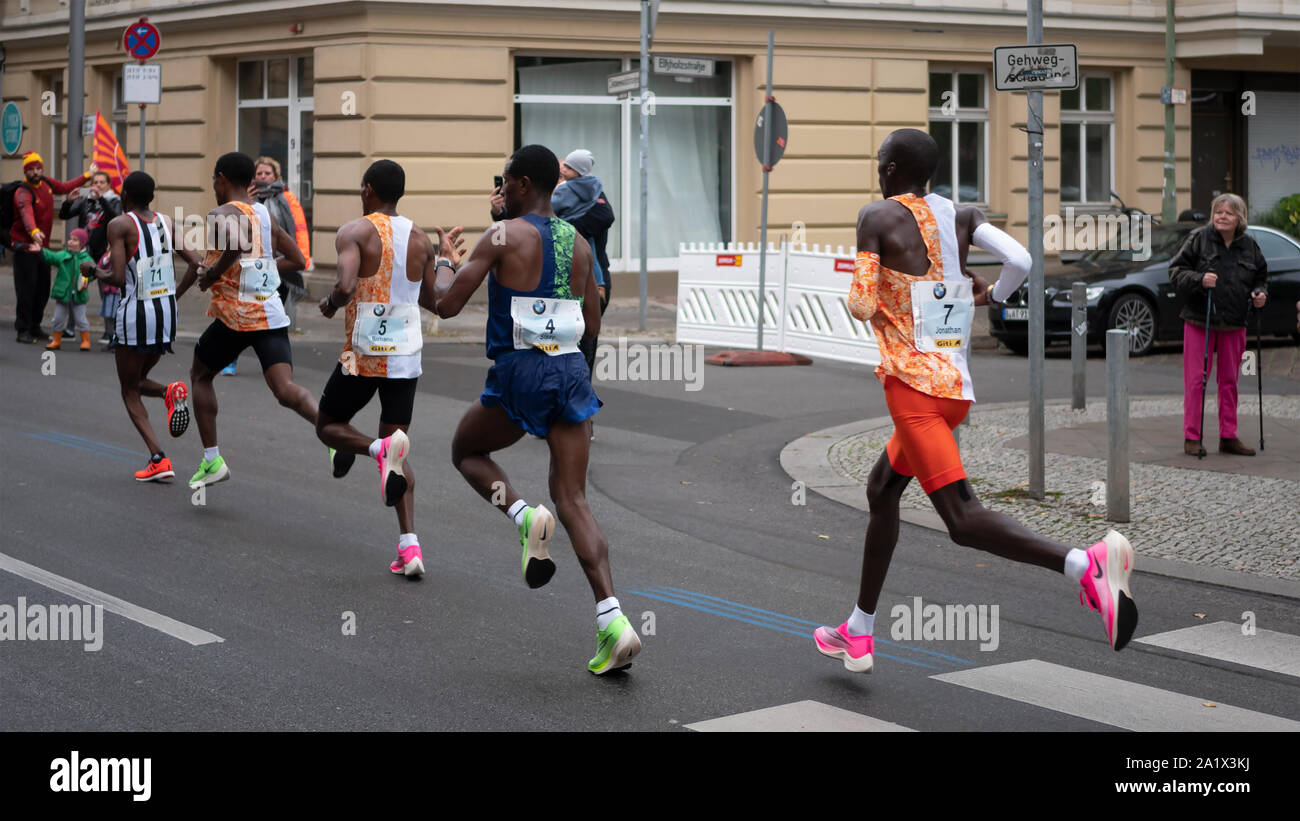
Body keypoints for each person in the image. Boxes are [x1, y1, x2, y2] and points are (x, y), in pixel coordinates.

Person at [812, 128, 1139, 674]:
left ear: (892, 169)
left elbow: (863, 304)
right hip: (955, 390)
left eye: (879, 162)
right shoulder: (962, 215)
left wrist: (875, 288)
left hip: (914, 393)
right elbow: (1023, 260)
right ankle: (859, 630)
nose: (877, 169)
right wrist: (988, 294)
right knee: (880, 490)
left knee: (963, 522)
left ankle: (1086, 565)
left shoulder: (876, 216)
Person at [437, 144, 641, 675]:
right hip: (571, 372)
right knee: (574, 498)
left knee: (466, 450)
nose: (501, 191)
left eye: (506, 182)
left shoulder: (502, 235)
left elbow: (446, 303)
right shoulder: (578, 241)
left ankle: (526, 518)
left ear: (525, 184)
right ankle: (614, 620)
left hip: (520, 371)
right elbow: (593, 324)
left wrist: (440, 263)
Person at [316, 159, 463, 578]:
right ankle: (410, 548)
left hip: (362, 355)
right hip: (405, 357)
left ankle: (374, 451)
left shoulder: (354, 231)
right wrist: (448, 262)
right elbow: (438, 303)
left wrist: (328, 304)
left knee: (328, 426)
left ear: (367, 190)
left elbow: (345, 287)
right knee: (396, 448)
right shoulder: (419, 239)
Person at [180, 152, 315, 490]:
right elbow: (297, 259)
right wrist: (262, 265)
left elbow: (237, 246)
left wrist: (212, 274)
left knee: (199, 374)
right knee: (285, 390)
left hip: (235, 317)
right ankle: (332, 432)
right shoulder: (265, 215)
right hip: (270, 312)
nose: (213, 186)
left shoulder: (220, 213)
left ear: (222, 178)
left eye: (214, 179)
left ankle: (212, 459)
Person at [84, 171, 202, 481]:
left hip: (135, 314)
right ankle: (170, 392)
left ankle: (158, 457)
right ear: (151, 196)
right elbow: (196, 263)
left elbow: (118, 278)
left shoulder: (120, 224)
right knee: (138, 380)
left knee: (128, 390)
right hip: (165, 313)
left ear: (124, 196)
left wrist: (93, 270)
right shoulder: (166, 222)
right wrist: (175, 295)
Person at [1168, 193, 1268, 457]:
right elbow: (1176, 272)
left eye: (1229, 213)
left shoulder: (1249, 246)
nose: (1222, 216)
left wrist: (1259, 294)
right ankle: (1192, 436)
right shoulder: (1199, 239)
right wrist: (1200, 279)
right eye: (1218, 212)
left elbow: (1261, 276)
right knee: (1196, 381)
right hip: (1201, 320)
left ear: (1239, 218)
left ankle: (1228, 436)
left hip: (1235, 321)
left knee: (1230, 382)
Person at [9, 152, 94, 343]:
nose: (36, 172)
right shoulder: (22, 191)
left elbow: (64, 187)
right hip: (25, 248)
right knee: (26, 290)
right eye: (31, 169)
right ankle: (23, 329)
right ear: (26, 171)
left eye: (38, 168)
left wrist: (87, 176)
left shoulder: (46, 183)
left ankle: (35, 326)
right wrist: (33, 232)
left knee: (42, 289)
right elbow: (26, 212)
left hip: (42, 249)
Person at [60, 170, 124, 345]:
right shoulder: (86, 202)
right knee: (77, 288)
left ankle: (109, 332)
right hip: (85, 255)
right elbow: (64, 215)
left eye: (101, 183)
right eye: (94, 182)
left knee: (107, 293)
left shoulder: (114, 201)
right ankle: (70, 329)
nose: (97, 186)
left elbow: (116, 217)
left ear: (108, 185)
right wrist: (69, 201)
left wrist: (101, 198)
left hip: (104, 255)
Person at [37, 228, 94, 351]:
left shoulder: (87, 259)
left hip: (79, 294)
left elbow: (93, 273)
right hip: (63, 294)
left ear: (82, 243)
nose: (70, 242)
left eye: (75, 240)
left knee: (81, 319)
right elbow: (51, 257)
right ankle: (56, 340)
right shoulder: (63, 255)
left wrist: (86, 280)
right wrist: (40, 250)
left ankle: (85, 340)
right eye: (70, 239)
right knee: (58, 318)